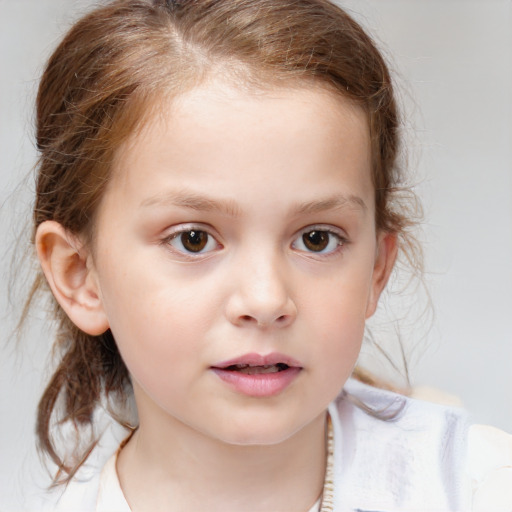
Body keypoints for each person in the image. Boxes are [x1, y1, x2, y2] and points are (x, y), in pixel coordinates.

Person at [22, 0, 511, 510]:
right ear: (80, 274)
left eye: (317, 238)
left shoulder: (482, 490)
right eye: (194, 239)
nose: (265, 298)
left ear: (376, 268)